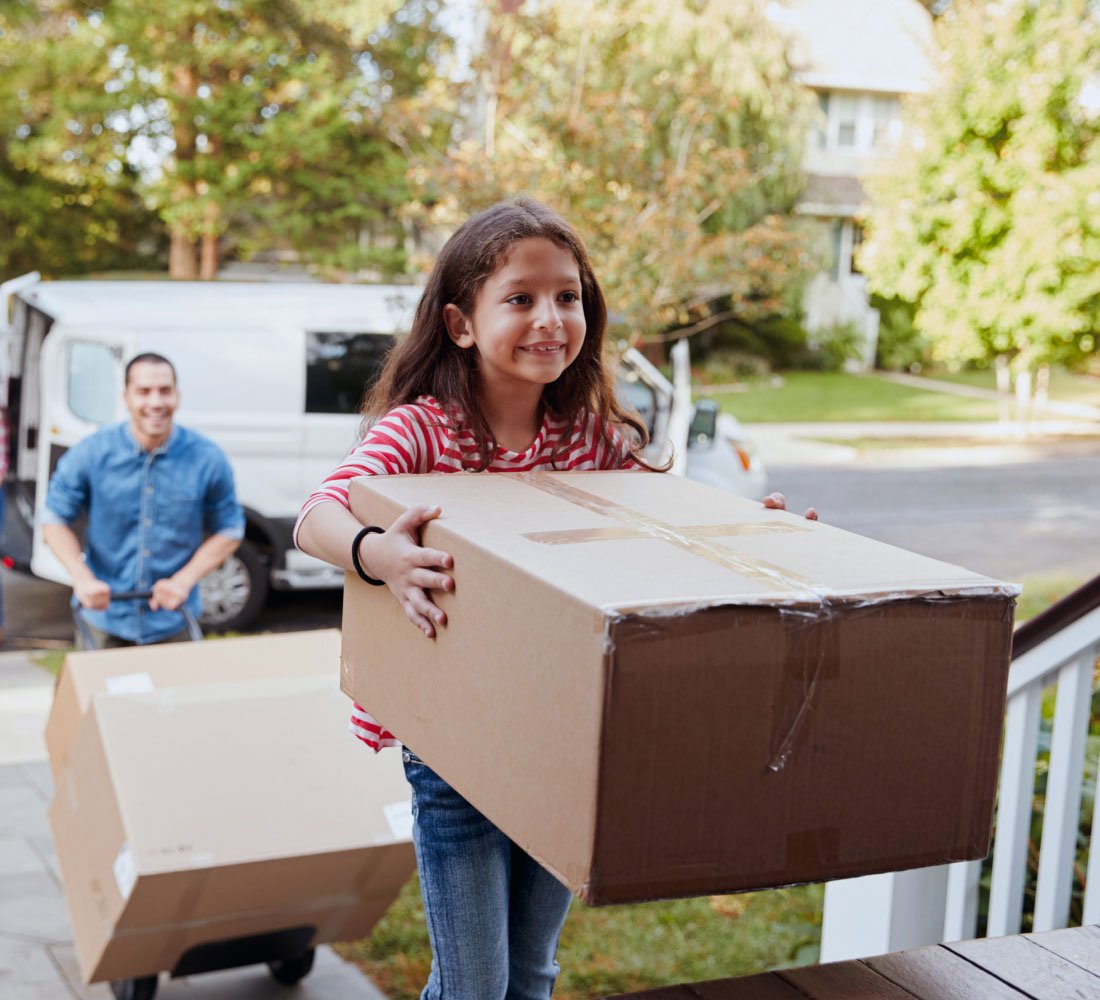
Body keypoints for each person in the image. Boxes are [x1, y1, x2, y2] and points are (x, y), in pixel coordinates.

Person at [295, 199, 814, 999]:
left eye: (567, 297)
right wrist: (381, 555)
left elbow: (671, 527)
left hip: (556, 738)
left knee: (531, 975)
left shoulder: (590, 439)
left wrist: (755, 534)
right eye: (521, 298)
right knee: (474, 986)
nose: (550, 318)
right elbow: (315, 515)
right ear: (462, 324)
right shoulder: (424, 431)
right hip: (455, 743)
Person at [41, 352, 244, 648]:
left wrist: (184, 581)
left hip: (174, 618)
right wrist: (82, 577)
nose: (156, 402)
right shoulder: (90, 453)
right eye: (144, 391)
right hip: (104, 620)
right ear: (126, 397)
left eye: (165, 390)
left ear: (178, 395)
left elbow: (229, 529)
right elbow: (53, 519)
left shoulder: (207, 458)